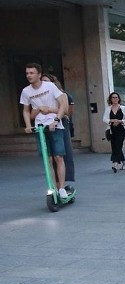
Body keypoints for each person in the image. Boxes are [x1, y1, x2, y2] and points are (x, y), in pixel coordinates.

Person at [20, 62, 70, 200]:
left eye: (32, 73)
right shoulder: (26, 91)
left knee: (58, 157)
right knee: (47, 160)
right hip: (40, 127)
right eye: (27, 73)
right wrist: (28, 125)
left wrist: (56, 119)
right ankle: (53, 187)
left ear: (39, 74)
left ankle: (61, 189)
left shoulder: (50, 86)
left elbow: (63, 104)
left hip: (54, 125)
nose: (29, 75)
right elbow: (25, 110)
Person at [34, 73, 76, 189]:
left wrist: (51, 111)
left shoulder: (62, 94)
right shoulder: (38, 95)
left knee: (61, 155)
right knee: (49, 157)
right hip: (44, 127)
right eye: (42, 81)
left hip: (60, 125)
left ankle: (62, 185)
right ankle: (54, 185)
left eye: (47, 81)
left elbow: (67, 112)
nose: (44, 83)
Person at [103, 92, 125, 172]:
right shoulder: (108, 108)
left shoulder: (123, 108)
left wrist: (120, 121)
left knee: (118, 145)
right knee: (116, 147)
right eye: (113, 97)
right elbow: (104, 119)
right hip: (112, 130)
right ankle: (124, 163)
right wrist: (111, 120)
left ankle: (115, 164)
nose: (115, 99)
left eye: (116, 97)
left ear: (119, 98)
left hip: (121, 130)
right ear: (110, 99)